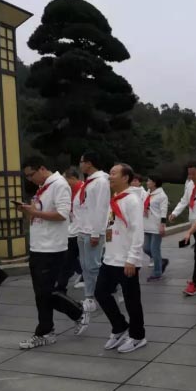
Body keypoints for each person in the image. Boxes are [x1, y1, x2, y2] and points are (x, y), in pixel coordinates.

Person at [18, 156, 89, 349]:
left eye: (31, 175)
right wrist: (31, 211)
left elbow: (62, 214)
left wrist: (34, 213)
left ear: (42, 168)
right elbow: (42, 213)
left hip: (52, 247)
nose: (30, 179)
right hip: (39, 245)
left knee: (45, 292)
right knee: (41, 293)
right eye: (27, 176)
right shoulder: (43, 187)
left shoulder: (59, 185)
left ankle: (69, 316)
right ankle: (50, 328)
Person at [94, 163, 147, 353]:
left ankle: (138, 336)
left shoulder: (132, 200)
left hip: (126, 260)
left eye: (114, 173)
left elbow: (137, 231)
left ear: (125, 178)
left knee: (132, 300)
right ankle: (119, 327)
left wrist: (132, 258)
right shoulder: (115, 198)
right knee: (100, 293)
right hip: (110, 258)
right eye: (110, 173)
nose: (110, 176)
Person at [73, 151, 111, 312]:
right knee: (85, 266)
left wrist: (96, 232)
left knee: (93, 266)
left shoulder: (101, 181)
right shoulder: (89, 181)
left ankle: (100, 295)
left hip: (92, 231)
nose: (80, 165)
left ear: (89, 163)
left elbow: (101, 208)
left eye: (81, 162)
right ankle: (90, 296)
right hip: (82, 229)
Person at [169, 162, 196, 296]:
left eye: (193, 173)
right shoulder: (190, 185)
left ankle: (195, 283)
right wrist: (175, 213)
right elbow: (184, 200)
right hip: (194, 223)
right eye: (189, 174)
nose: (191, 176)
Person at [55, 167, 84, 293]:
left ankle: (61, 286)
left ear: (72, 178)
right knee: (67, 259)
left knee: (68, 260)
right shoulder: (69, 190)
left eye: (65, 180)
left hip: (81, 231)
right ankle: (61, 286)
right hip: (72, 230)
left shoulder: (84, 190)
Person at [143, 175, 169, 281]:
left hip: (156, 226)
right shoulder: (148, 193)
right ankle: (161, 261)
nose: (147, 182)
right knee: (146, 248)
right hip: (147, 225)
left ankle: (157, 272)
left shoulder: (162, 195)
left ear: (154, 183)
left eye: (149, 181)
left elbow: (164, 211)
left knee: (154, 250)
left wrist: (162, 225)